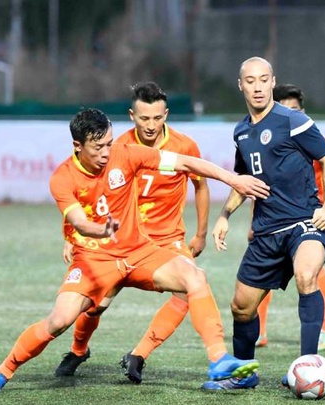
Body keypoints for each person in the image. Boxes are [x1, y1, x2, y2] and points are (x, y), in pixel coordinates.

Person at [0, 107, 269, 394]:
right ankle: (4, 370)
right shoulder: (63, 178)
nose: (107, 152)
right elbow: (79, 221)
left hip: (138, 252)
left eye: (109, 143)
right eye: (98, 147)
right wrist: (100, 230)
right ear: (78, 146)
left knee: (195, 277)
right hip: (95, 260)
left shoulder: (126, 153)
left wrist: (232, 179)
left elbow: (185, 162)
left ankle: (218, 358)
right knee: (59, 321)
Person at [53, 82, 211, 384]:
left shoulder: (185, 146)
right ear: (132, 116)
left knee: (188, 290)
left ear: (166, 115)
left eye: (157, 118)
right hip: (122, 240)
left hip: (168, 238)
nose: (151, 125)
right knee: (96, 304)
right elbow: (84, 194)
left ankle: (139, 354)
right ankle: (78, 349)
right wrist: (70, 237)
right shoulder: (115, 147)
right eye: (144, 118)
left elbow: (200, 186)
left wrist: (201, 233)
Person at [202, 56, 325, 391]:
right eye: (251, 81)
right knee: (241, 308)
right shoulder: (241, 132)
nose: (258, 87)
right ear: (241, 85)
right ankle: (244, 374)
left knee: (307, 276)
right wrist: (224, 216)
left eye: (264, 79)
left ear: (273, 81)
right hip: (266, 232)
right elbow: (243, 181)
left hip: (304, 223)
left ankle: (308, 366)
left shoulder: (293, 120)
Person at [254, 83, 325, 351]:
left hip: (312, 215)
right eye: (283, 109)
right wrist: (253, 220)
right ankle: (259, 331)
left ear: (303, 112)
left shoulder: (317, 141)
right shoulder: (267, 140)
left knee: (311, 270)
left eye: (294, 109)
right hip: (277, 216)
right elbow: (260, 185)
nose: (289, 114)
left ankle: (323, 329)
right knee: (265, 270)